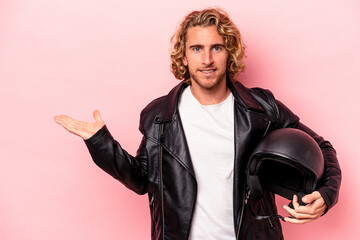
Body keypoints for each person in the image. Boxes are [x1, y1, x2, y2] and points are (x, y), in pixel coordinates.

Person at [54, 8, 341, 240]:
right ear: (184, 55)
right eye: (197, 48)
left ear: (229, 53)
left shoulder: (261, 108)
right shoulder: (159, 116)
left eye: (216, 48)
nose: (207, 59)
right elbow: (144, 180)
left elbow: (322, 147)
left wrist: (327, 195)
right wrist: (100, 143)